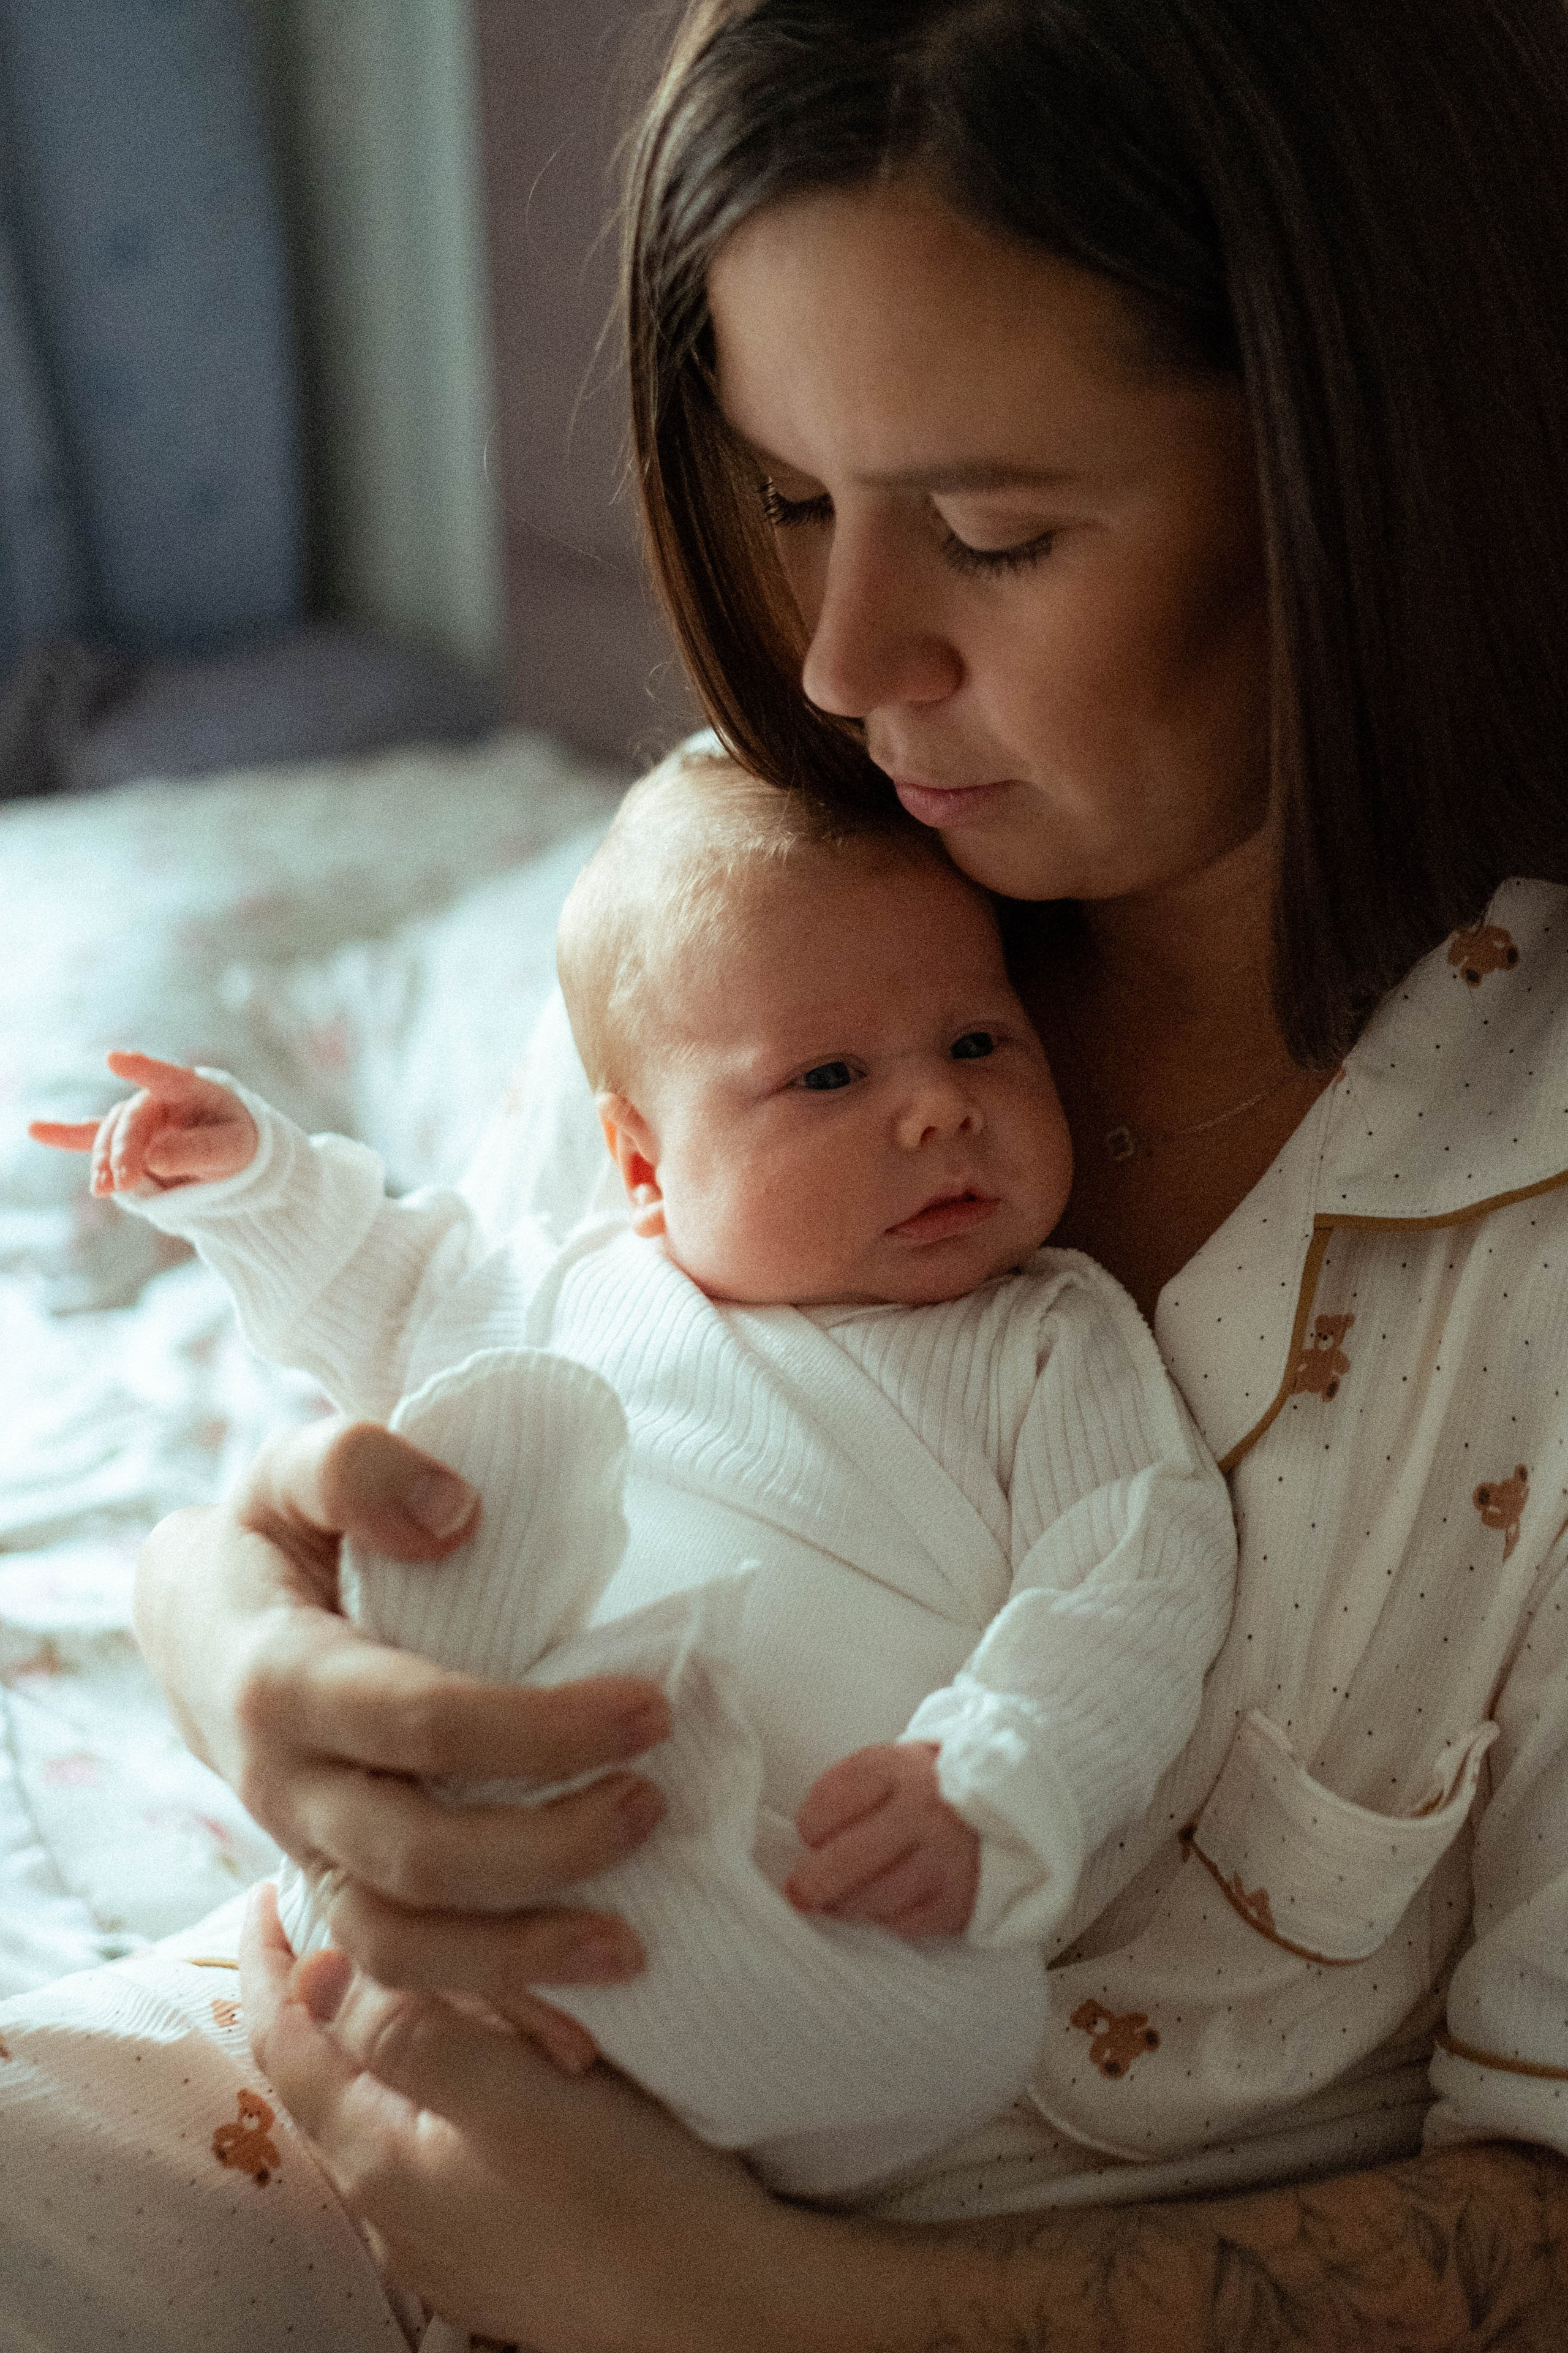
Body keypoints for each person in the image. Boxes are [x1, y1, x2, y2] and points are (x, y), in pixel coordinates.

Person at [6, 0, 1568, 2343]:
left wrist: (750, 2303)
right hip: (342, 2098)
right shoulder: (771, 922)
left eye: (996, 530)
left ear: (1369, 476)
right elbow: (480, 1344)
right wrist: (223, 1624)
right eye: (790, 502)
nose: (842, 662)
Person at [29, 750, 1236, 2200]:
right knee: (487, 1439)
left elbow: (1130, 1568)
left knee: (977, 2035)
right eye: (830, 1076)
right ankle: (513, 1818)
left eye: (978, 1043)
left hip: (801, 1901)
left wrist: (1000, 1776)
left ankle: (643, 1939)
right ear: (643, 1165)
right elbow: (374, 1281)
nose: (933, 1110)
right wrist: (256, 1184)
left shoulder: (1042, 1342)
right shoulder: (578, 1288)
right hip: (499, 1822)